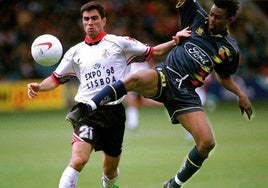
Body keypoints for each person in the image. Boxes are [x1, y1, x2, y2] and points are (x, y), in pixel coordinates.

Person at [66, 0, 253, 187]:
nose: (211, 19)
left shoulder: (229, 49)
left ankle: (174, 184)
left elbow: (224, 77)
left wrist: (241, 94)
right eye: (211, 13)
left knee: (207, 143)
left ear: (230, 19)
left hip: (185, 94)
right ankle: (85, 108)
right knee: (134, 79)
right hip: (165, 75)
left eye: (217, 17)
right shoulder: (197, 16)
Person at [27, 1, 191, 188]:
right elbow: (56, 79)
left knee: (110, 171)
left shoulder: (120, 43)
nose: (90, 23)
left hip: (114, 114)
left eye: (94, 18)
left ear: (103, 21)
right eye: (86, 19)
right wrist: (40, 87)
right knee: (79, 160)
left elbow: (154, 51)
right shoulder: (75, 52)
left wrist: (175, 40)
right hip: (87, 112)